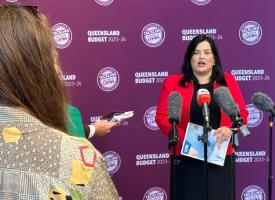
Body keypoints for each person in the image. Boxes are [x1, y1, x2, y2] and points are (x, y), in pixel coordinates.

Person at [0, 3, 118, 199]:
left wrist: (94, 129)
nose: (59, 69)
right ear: (41, 68)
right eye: (54, 57)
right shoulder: (80, 161)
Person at [155, 35, 248, 200]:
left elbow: (241, 114)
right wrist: (190, 140)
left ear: (214, 59)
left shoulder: (228, 81)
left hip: (219, 155)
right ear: (189, 58)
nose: (201, 57)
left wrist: (230, 129)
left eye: (206, 52)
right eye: (196, 52)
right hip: (186, 156)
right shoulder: (172, 83)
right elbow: (162, 117)